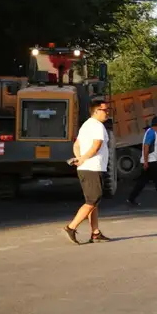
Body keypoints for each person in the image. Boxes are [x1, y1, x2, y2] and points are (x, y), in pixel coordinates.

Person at [62, 98, 111, 245]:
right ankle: (71, 227)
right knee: (93, 199)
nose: (107, 113)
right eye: (105, 110)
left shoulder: (85, 125)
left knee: (93, 201)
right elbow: (96, 146)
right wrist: (83, 159)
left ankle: (95, 233)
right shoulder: (97, 126)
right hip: (92, 167)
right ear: (96, 111)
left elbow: (76, 144)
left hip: (86, 167)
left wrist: (79, 158)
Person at [128, 116, 157, 207]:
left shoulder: (149, 132)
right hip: (151, 161)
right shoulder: (151, 133)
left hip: (149, 160)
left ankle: (131, 198)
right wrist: (146, 161)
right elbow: (146, 146)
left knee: (142, 181)